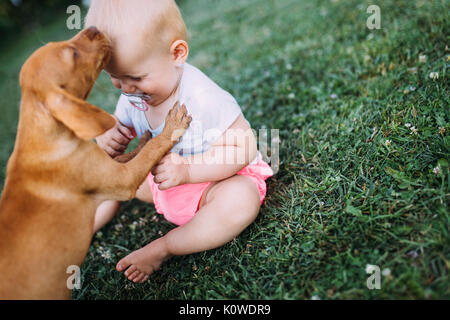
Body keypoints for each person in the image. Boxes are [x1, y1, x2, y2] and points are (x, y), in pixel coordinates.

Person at [85, 0, 273, 284]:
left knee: (241, 199)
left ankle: (166, 247)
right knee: (110, 174)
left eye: (134, 77)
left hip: (213, 183)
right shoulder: (132, 94)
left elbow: (244, 148)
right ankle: (84, 227)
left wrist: (188, 171)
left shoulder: (203, 97)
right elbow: (119, 129)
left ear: (177, 53)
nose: (126, 90)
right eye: (115, 79)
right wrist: (108, 138)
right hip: (165, 185)